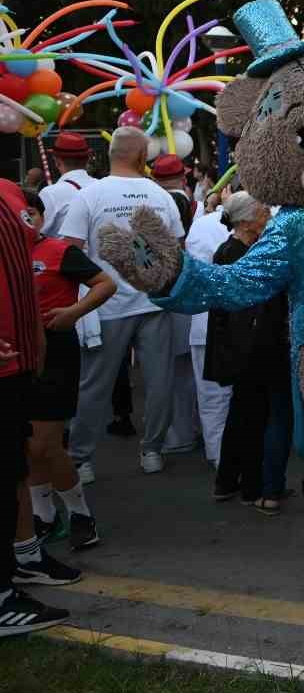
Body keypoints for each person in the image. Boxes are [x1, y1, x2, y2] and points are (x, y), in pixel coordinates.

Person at [59, 126, 185, 479]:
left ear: (110, 154)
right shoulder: (159, 194)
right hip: (154, 300)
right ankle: (152, 451)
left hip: (106, 305)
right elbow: (177, 249)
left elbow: (69, 250)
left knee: (94, 384)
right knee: (159, 380)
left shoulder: (90, 195)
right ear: (144, 157)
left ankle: (81, 459)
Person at [206, 192, 304, 514]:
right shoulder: (248, 254)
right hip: (262, 344)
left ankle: (229, 481)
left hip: (243, 345)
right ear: (246, 219)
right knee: (268, 416)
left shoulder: (227, 250)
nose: (269, 215)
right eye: (263, 211)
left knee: (243, 414)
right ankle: (260, 487)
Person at [20, 192, 113, 552]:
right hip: (17, 355)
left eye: (28, 213)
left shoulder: (60, 251)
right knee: (26, 445)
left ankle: (80, 514)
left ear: (40, 217)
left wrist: (72, 312)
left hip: (55, 351)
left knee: (45, 442)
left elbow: (106, 283)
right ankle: (44, 516)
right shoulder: (7, 253)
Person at [1, 178, 72, 637]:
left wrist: (37, 337)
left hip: (18, 367)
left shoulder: (9, 193)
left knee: (12, 470)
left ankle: (22, 560)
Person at [150, 153, 201, 457]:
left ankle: (177, 434)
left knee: (168, 369)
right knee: (186, 369)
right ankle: (188, 429)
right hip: (188, 286)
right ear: (183, 176)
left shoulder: (159, 204)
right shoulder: (187, 202)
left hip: (165, 290)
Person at [183, 200, 233, 467]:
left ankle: (218, 456)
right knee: (245, 395)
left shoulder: (200, 226)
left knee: (212, 395)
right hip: (240, 321)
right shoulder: (262, 221)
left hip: (205, 321)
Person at [38, 131, 96, 238]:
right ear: (87, 159)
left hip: (65, 253)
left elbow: (36, 233)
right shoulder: (103, 188)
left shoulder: (50, 193)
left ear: (57, 161)